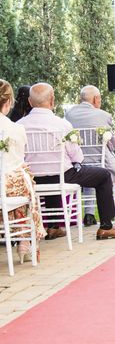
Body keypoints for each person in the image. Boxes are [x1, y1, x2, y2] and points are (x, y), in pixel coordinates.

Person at [18, 83, 115, 240]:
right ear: (52, 100)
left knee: (52, 174)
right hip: (63, 176)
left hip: (33, 179)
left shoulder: (19, 126)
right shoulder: (62, 124)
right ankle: (106, 226)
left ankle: (53, 227)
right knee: (103, 175)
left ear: (30, 102)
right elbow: (77, 157)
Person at [65, 85, 115, 226]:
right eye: (100, 98)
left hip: (79, 167)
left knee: (90, 167)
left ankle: (89, 215)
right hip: (103, 166)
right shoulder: (104, 115)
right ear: (96, 99)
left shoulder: (68, 115)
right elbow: (112, 145)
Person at [0, 80, 45, 263]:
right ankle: (25, 242)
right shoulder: (16, 128)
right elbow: (19, 160)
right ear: (9, 101)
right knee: (23, 179)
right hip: (9, 187)